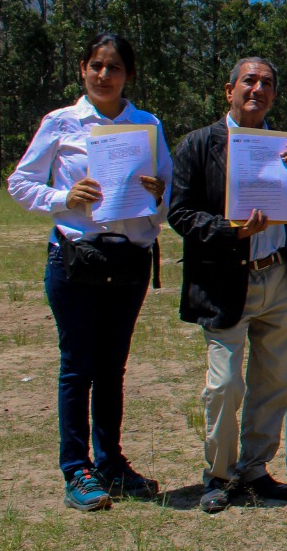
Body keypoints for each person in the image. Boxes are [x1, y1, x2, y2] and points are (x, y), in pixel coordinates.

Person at [9, 33, 173, 512]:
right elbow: (19, 182)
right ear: (83, 68)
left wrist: (157, 191)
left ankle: (112, 463)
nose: (105, 75)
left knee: (112, 368)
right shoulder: (61, 123)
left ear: (129, 74)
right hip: (76, 259)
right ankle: (76, 469)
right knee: (78, 365)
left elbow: (167, 198)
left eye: (115, 67)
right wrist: (64, 198)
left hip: (128, 262)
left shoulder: (147, 125)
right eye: (97, 66)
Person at [169, 57, 287, 514]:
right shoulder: (199, 145)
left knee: (273, 382)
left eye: (267, 83)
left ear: (274, 95)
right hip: (226, 280)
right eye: (249, 81)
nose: (258, 89)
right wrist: (230, 230)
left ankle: (255, 469)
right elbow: (179, 213)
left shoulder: (286, 145)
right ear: (229, 89)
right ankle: (218, 474)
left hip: (278, 276)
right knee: (224, 386)